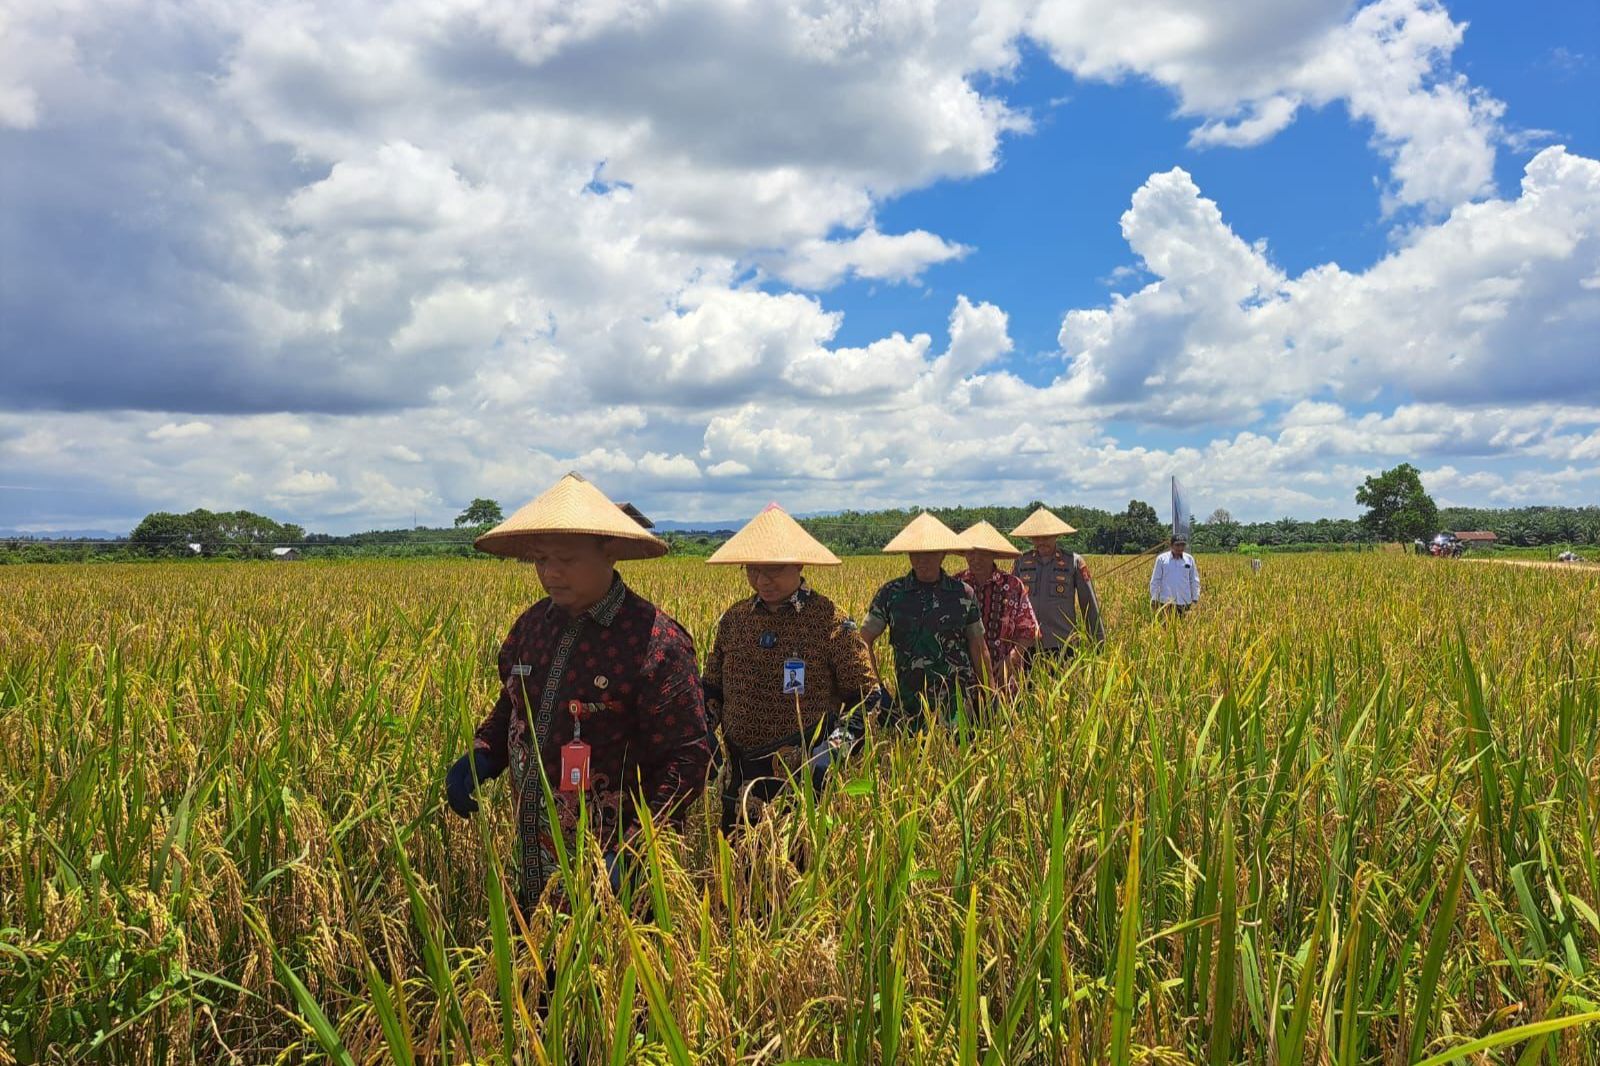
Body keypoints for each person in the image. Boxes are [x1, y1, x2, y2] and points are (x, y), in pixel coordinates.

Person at [444, 472, 710, 909]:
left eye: (566, 559)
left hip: (613, 871)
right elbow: (513, 706)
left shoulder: (656, 643)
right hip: (531, 863)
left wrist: (633, 851)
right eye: (541, 559)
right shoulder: (531, 627)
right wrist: (483, 754)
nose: (550, 573)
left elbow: (688, 759)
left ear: (609, 552)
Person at [701, 504, 885, 830]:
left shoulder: (829, 620)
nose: (762, 579)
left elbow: (868, 696)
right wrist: (700, 733)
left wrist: (832, 751)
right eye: (753, 569)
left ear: (799, 564)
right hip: (740, 775)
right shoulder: (735, 619)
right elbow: (712, 688)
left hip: (804, 779)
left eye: (774, 569)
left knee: (798, 868)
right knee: (738, 869)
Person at [860, 513, 992, 728]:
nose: (922, 560)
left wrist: (990, 695)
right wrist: (877, 691)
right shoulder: (891, 594)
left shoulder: (962, 594)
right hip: (911, 705)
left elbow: (978, 646)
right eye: (916, 554)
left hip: (958, 704)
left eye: (930, 553)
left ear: (942, 554)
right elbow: (863, 641)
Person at [1009, 506, 1104, 663]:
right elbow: (1012, 602)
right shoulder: (1021, 562)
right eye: (1036, 538)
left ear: (1056, 536)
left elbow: (1089, 604)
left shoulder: (1073, 562)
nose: (1041, 542)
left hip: (1062, 644)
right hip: (1027, 645)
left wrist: (1098, 643)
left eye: (1046, 537)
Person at [954, 520, 1039, 694]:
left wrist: (1012, 659)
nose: (976, 559)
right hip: (962, 676)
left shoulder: (1013, 585)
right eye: (971, 553)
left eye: (983, 554)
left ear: (993, 554)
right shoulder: (955, 585)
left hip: (1004, 674)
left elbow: (1030, 630)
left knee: (1002, 719)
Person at [1149, 533, 1201, 615]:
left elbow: (1194, 580)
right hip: (1166, 603)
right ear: (1171, 545)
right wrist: (1154, 599)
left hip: (1185, 602)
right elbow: (1156, 580)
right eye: (1177, 545)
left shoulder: (1189, 559)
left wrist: (1195, 599)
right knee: (1166, 627)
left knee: (1185, 627)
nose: (1180, 548)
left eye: (1182, 545)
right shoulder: (1161, 559)